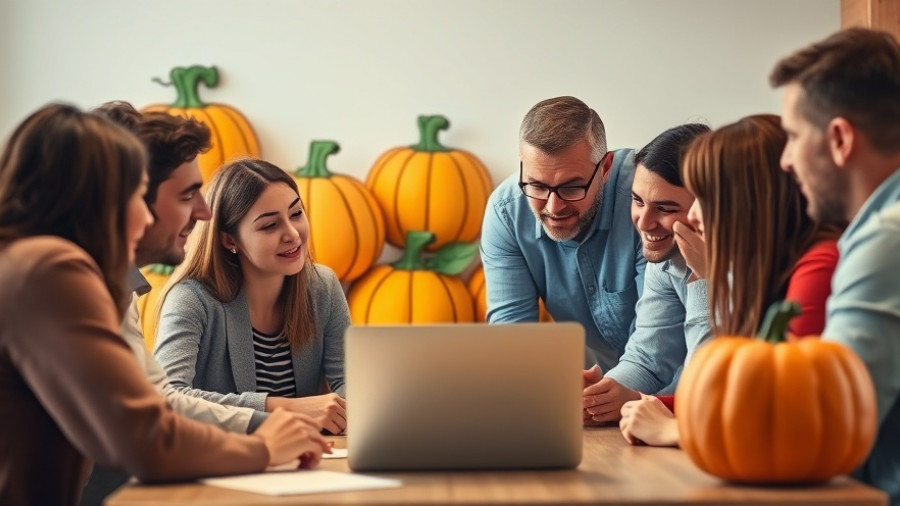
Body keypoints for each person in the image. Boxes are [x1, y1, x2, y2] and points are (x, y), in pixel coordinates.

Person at [0, 104, 328, 505]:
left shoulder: (42, 267)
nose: (205, 214)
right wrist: (262, 444)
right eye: (139, 194)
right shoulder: (50, 270)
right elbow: (142, 435)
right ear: (105, 199)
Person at [82, 102, 269, 505]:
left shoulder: (115, 281)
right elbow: (142, 423)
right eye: (187, 194)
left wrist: (265, 427)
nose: (204, 212)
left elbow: (153, 399)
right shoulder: (66, 280)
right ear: (128, 198)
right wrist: (263, 436)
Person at [618, 114, 840, 447]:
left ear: (751, 204)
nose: (693, 216)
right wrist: (644, 405)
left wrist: (675, 428)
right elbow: (733, 396)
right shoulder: (765, 266)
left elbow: (778, 414)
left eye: (707, 200)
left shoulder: (818, 267)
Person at [771, 28, 900, 505]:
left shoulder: (885, 242)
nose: (785, 161)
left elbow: (825, 430)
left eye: (793, 137)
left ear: (841, 139)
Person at [154, 158, 350, 435]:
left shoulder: (323, 286)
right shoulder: (191, 299)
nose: (293, 234)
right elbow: (166, 398)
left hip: (308, 460)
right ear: (230, 241)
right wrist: (282, 408)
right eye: (270, 225)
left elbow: (349, 383)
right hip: (222, 463)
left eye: (296, 214)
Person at [480, 96, 646, 379]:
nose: (553, 207)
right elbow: (512, 339)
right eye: (537, 185)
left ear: (605, 168)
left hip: (678, 384)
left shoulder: (646, 199)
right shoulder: (506, 212)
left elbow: (658, 336)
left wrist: (615, 391)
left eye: (572, 187)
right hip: (591, 383)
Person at [582, 123, 712, 424]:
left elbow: (706, 392)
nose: (644, 222)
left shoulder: (749, 267)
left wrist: (704, 281)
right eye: (637, 200)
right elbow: (648, 360)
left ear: (708, 208)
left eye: (665, 208)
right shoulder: (666, 256)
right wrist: (601, 395)